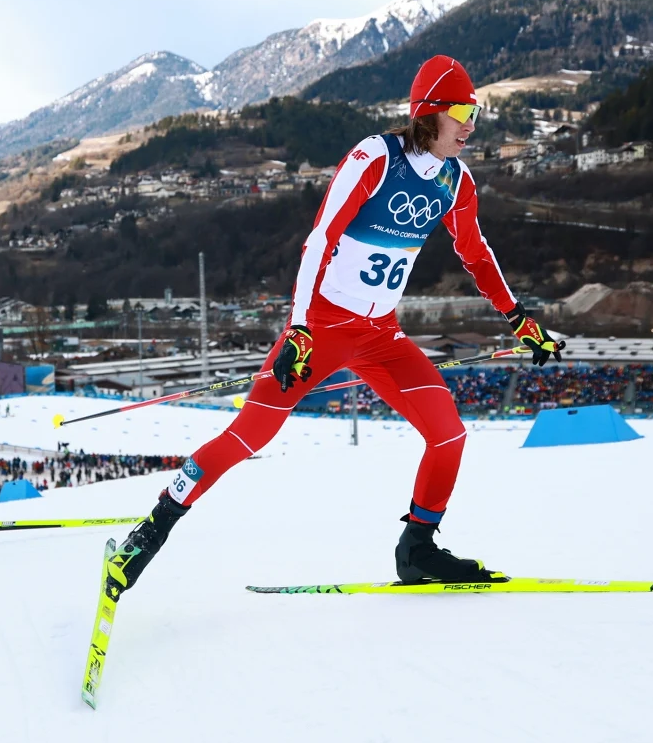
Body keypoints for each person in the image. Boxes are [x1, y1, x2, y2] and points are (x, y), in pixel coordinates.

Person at [103, 55, 561, 598]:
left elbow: (476, 254)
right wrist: (298, 328)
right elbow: (320, 239)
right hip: (320, 328)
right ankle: (151, 531)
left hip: (381, 335)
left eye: (476, 114)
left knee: (449, 432)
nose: (470, 125)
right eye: (462, 111)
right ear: (428, 113)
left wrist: (519, 320)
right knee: (249, 436)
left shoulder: (456, 181)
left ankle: (417, 549)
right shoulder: (374, 158)